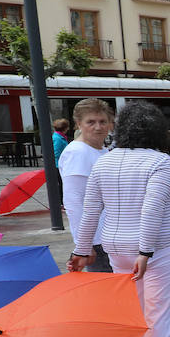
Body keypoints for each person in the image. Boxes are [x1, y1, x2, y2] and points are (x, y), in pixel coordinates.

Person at [69, 101, 170, 337]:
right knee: (159, 317)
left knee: (132, 315)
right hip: (157, 249)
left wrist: (81, 250)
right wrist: (145, 251)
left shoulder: (103, 162)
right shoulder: (160, 161)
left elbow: (90, 211)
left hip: (116, 248)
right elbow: (152, 208)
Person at [59, 99, 115, 273]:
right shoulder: (77, 152)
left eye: (102, 122)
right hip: (97, 239)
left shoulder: (102, 150)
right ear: (78, 124)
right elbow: (74, 202)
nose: (98, 127)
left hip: (110, 235)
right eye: (91, 122)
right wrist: (84, 245)